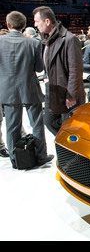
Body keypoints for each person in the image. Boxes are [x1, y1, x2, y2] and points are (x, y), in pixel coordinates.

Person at [0, 11, 53, 167]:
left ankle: (15, 159)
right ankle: (41, 156)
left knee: (12, 126)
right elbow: (38, 68)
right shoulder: (34, 43)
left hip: (7, 90)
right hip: (29, 88)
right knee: (36, 123)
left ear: (8, 25)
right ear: (24, 26)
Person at [33, 6, 85, 136]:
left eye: (37, 21)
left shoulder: (69, 39)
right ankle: (65, 145)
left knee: (69, 126)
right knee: (50, 122)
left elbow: (76, 70)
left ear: (47, 21)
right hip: (53, 89)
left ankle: (70, 151)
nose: (35, 25)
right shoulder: (46, 40)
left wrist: (71, 94)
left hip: (67, 92)